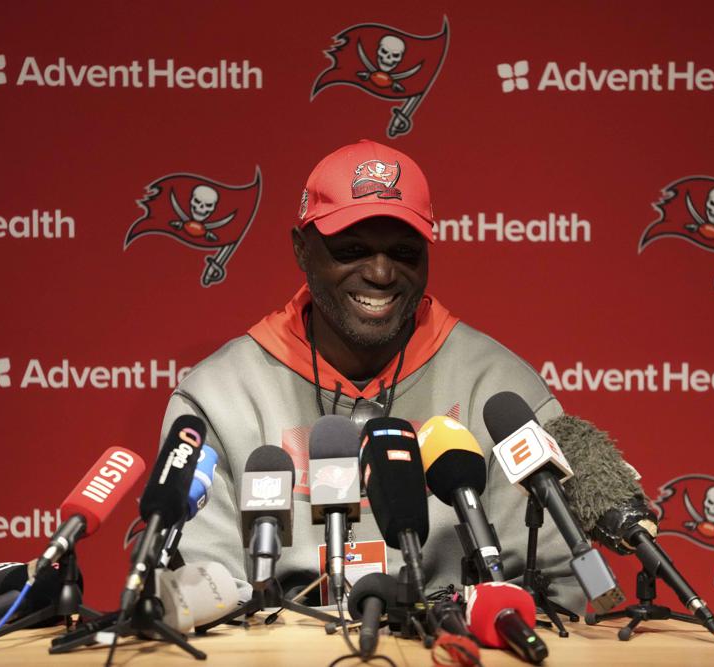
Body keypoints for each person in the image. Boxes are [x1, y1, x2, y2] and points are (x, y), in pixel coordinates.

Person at [160, 139, 584, 612]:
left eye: (404, 252)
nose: (381, 273)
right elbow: (203, 599)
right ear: (302, 250)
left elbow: (561, 589)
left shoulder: (501, 391)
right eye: (353, 249)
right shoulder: (217, 398)